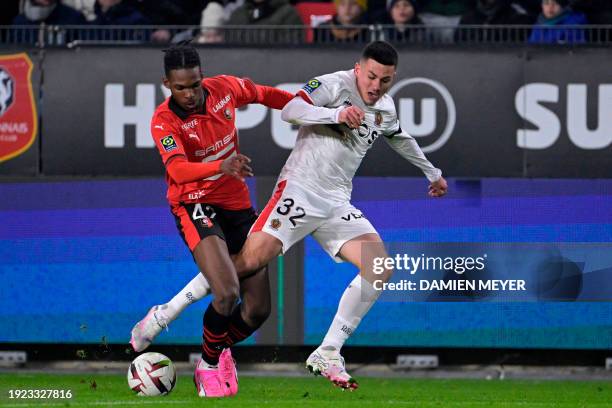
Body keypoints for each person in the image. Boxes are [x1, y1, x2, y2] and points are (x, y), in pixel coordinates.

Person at [132, 41, 447, 390]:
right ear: (358, 69)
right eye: (371, 76)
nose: (375, 86)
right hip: (298, 191)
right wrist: (334, 115)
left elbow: (398, 136)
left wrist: (432, 172)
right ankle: (166, 314)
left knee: (379, 267)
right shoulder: (332, 85)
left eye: (384, 80)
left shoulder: (384, 108)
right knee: (240, 271)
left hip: (336, 202)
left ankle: (328, 351)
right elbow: (291, 110)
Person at [130, 43, 293, 398]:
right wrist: (221, 165)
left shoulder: (224, 89)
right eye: (180, 88)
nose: (189, 94)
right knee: (227, 293)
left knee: (258, 311)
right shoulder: (164, 120)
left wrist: (309, 109)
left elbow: (264, 94)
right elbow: (177, 169)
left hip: (236, 204)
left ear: (203, 77)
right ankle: (207, 365)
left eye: (195, 84)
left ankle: (212, 348)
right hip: (194, 205)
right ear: (166, 84)